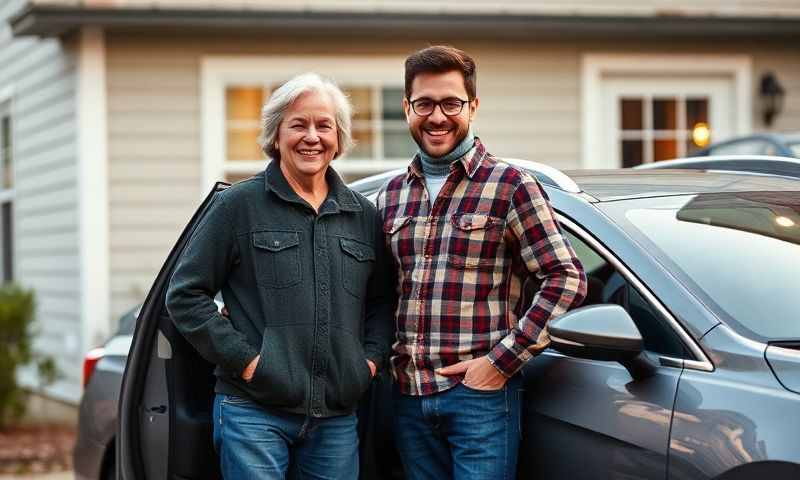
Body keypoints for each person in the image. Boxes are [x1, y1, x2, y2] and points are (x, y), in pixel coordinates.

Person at [166, 73, 394, 479]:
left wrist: (368, 364)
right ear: (276, 135)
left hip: (336, 418)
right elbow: (186, 295)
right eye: (298, 124)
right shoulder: (236, 206)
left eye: (324, 125)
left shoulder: (364, 215)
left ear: (338, 138)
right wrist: (250, 363)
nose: (312, 137)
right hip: (252, 411)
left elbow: (381, 303)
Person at [377, 46, 588, 479]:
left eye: (451, 103)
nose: (437, 116)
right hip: (407, 397)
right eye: (424, 104)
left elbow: (565, 277)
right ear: (407, 108)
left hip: (479, 398)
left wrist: (500, 363)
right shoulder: (392, 195)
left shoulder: (511, 186)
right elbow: (376, 291)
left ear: (472, 106)